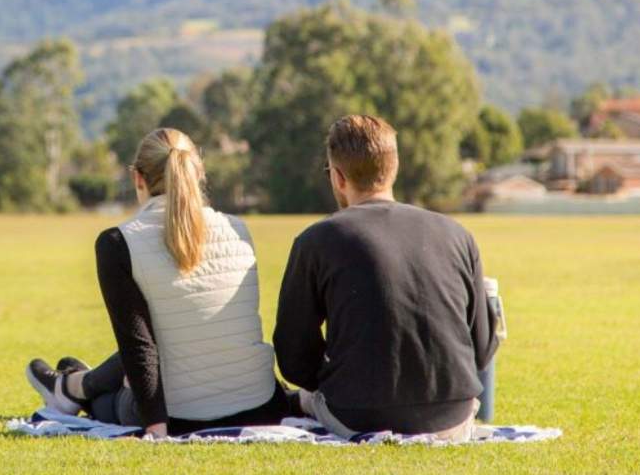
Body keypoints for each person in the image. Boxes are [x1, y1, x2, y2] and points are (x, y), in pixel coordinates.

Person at [25, 128, 288, 438]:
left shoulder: (117, 243)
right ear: (199, 172)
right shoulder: (238, 228)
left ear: (138, 178)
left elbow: (139, 344)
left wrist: (155, 426)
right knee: (175, 330)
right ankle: (73, 385)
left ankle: (73, 388)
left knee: (109, 402)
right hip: (262, 406)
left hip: (176, 416)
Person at [273, 114, 499, 441]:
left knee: (299, 399)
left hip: (356, 414)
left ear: (337, 177)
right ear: (394, 167)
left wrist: (335, 380)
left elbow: (293, 356)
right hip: (453, 415)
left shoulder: (316, 240)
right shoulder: (457, 234)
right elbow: (482, 346)